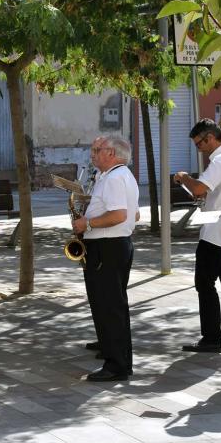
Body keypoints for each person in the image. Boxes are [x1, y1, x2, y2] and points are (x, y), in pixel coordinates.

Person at [173, 119, 221, 353]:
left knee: (204, 284)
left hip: (216, 234)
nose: (199, 149)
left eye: (199, 144)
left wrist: (183, 177)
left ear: (211, 138)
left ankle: (212, 338)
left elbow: (198, 189)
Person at [72, 135, 138, 382]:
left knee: (110, 306)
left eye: (97, 149)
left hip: (107, 247)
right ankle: (115, 355)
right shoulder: (119, 176)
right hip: (112, 245)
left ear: (112, 153)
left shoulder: (114, 178)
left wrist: (87, 222)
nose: (93, 154)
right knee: (110, 305)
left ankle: (117, 364)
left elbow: (119, 215)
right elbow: (135, 215)